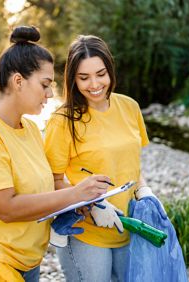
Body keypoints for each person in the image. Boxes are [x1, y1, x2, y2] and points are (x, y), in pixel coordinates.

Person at [0, 26, 111, 282]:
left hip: (26, 263)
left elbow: (39, 191)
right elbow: (6, 208)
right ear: (18, 81)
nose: (50, 93)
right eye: (45, 84)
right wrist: (74, 193)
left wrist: (79, 202)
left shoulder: (30, 128)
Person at [44, 35, 155, 282]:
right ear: (72, 79)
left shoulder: (129, 107)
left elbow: (132, 165)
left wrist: (145, 190)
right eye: (84, 78)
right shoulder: (63, 121)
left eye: (100, 74)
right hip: (86, 232)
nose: (94, 84)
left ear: (110, 71)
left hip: (128, 226)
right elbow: (51, 180)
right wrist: (93, 206)